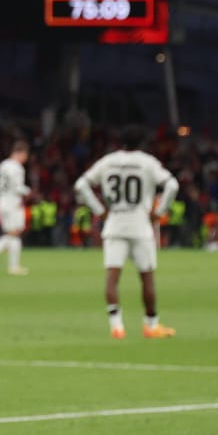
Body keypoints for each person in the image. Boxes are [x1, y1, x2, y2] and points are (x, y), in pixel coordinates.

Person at [74, 127, 179, 339]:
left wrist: (99, 210)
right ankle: (151, 325)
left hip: (114, 224)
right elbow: (172, 185)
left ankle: (117, 327)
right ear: (142, 142)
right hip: (140, 225)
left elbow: (81, 184)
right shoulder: (147, 162)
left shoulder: (108, 161)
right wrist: (159, 212)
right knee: (147, 277)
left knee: (112, 278)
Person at [0, 140, 32, 275]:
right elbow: (17, 186)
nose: (26, 158)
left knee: (13, 233)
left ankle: (13, 266)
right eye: (25, 155)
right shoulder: (17, 168)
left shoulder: (3, 165)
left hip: (2, 201)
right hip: (13, 202)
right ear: (20, 153)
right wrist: (28, 191)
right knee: (15, 232)